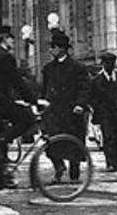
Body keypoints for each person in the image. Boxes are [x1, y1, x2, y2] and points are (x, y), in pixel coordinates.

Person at [0, 25, 36, 189]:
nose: (12, 41)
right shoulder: (5, 57)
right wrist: (33, 100)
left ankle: (0, 179)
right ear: (4, 39)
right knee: (27, 119)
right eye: (10, 38)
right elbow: (16, 81)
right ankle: (2, 141)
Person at [41, 31, 90, 184]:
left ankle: (74, 172)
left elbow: (85, 88)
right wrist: (42, 102)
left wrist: (80, 104)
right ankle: (59, 166)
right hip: (54, 111)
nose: (51, 50)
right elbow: (45, 88)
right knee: (52, 141)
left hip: (71, 110)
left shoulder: (77, 67)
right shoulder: (48, 68)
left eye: (53, 47)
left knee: (73, 141)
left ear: (62, 49)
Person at [90, 51, 117, 172]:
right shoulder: (96, 81)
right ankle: (110, 162)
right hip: (105, 114)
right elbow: (93, 98)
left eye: (111, 63)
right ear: (103, 64)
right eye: (107, 63)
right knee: (108, 137)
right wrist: (99, 108)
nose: (109, 65)